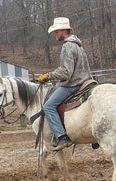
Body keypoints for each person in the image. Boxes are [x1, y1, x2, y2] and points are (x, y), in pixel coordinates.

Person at [38, 17, 92, 151]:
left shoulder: (67, 46)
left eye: (56, 31)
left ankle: (62, 137)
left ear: (63, 31)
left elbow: (66, 72)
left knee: (48, 106)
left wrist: (49, 76)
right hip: (86, 81)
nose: (55, 34)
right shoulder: (79, 45)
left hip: (74, 84)